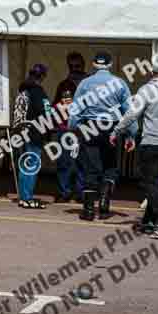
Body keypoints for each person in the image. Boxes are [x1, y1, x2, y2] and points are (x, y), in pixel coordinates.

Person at [111, 55, 158, 238]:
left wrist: (116, 131)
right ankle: (148, 221)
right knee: (157, 184)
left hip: (151, 143)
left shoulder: (147, 90)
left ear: (152, 72)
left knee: (147, 183)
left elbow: (132, 114)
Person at [68, 51, 137, 220]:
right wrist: (131, 134)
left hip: (90, 127)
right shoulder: (119, 83)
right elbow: (129, 111)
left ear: (93, 64)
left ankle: (89, 209)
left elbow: (76, 109)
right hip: (111, 127)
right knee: (110, 165)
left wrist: (73, 128)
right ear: (110, 64)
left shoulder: (85, 83)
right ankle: (105, 203)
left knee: (91, 167)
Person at [13, 63, 52, 209]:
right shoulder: (38, 91)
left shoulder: (22, 91)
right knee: (31, 165)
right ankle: (28, 197)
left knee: (23, 165)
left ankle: (23, 197)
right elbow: (47, 112)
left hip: (20, 133)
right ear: (42, 76)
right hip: (34, 132)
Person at [52, 52, 88, 202]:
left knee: (83, 162)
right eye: (72, 66)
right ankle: (64, 192)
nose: (74, 69)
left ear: (83, 65)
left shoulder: (89, 84)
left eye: (77, 66)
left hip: (84, 129)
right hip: (65, 129)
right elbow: (55, 105)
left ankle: (81, 193)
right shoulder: (64, 84)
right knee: (63, 162)